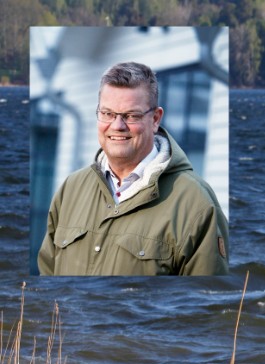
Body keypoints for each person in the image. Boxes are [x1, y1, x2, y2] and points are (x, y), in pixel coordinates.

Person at [38, 62, 229, 276]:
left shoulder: (197, 204)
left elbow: (203, 303)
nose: (117, 125)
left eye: (131, 116)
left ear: (155, 119)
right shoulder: (70, 189)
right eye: (108, 114)